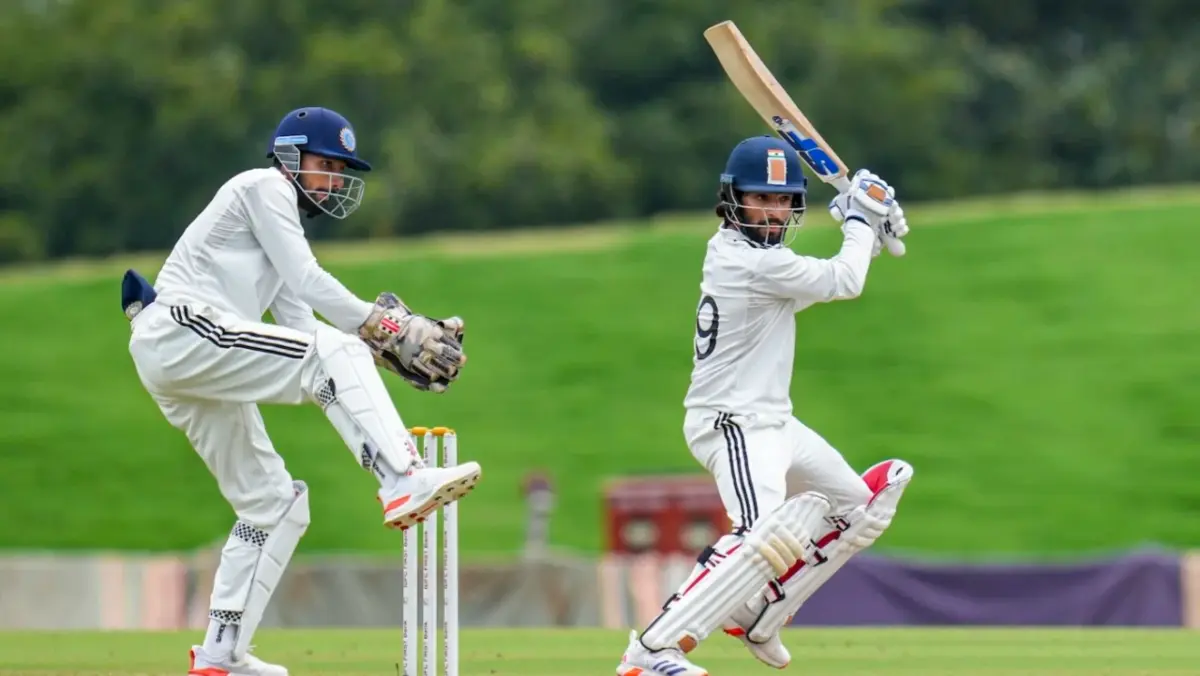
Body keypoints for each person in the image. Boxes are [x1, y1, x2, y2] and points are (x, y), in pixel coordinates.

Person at [121, 106, 482, 676]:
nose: (335, 179)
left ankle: (221, 656)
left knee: (273, 505)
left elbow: (301, 326)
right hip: (183, 329)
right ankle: (401, 478)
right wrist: (383, 327)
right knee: (339, 353)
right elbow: (314, 287)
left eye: (341, 170)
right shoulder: (264, 187)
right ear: (290, 158)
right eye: (325, 164)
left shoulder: (278, 225)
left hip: (186, 358)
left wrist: (376, 349)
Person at [616, 135, 915, 676]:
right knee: (762, 533)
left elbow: (820, 286)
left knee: (856, 509)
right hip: (731, 422)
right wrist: (860, 220)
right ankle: (650, 653)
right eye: (762, 199)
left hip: (775, 421)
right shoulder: (744, 261)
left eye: (783, 201)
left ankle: (762, 616)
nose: (774, 211)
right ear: (732, 200)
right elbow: (842, 281)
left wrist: (864, 228)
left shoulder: (765, 261)